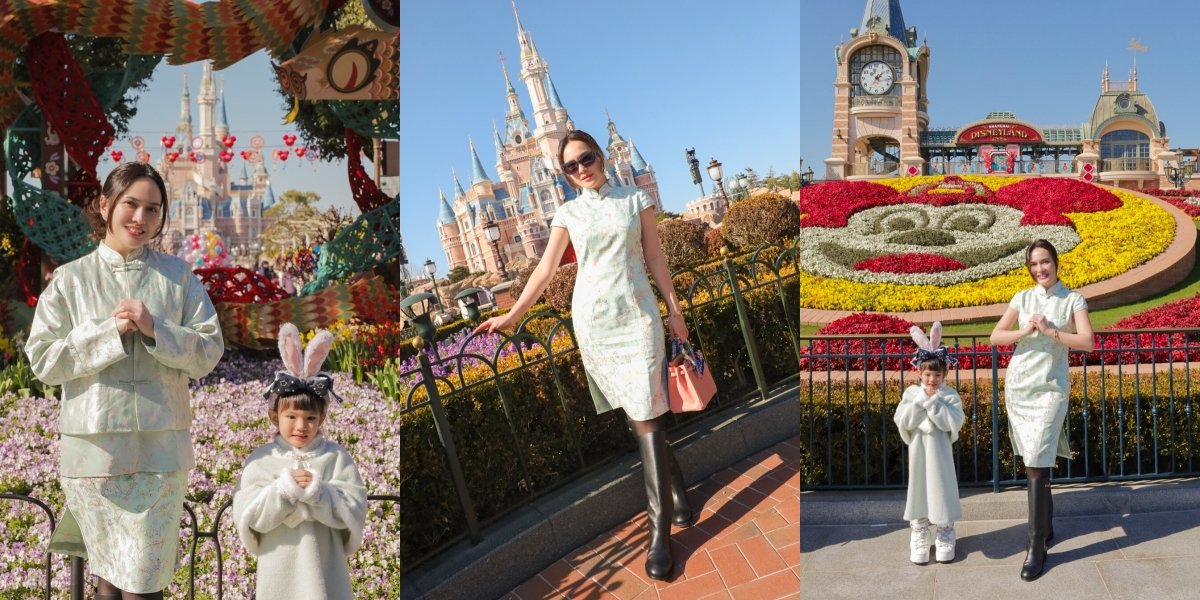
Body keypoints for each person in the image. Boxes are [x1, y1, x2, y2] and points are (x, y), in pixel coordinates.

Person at [473, 130, 692, 581]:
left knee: (648, 414)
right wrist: (511, 317)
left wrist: (674, 312)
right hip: (596, 324)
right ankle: (679, 492)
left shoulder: (634, 200)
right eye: (570, 166)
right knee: (639, 414)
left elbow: (655, 258)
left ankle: (658, 536)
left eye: (586, 158)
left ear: (602, 156)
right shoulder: (567, 213)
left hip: (637, 318)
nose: (581, 170)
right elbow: (545, 270)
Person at [25, 162, 224, 599]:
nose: (141, 218)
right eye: (131, 204)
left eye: (153, 209)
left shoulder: (178, 277)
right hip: (94, 455)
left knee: (145, 582)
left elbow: (209, 350)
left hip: (161, 453)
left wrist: (157, 329)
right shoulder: (70, 280)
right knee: (109, 580)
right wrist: (106, 333)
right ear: (105, 204)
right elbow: (43, 359)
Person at [232, 323, 368, 599]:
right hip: (279, 568)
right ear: (274, 416)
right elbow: (249, 517)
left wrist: (320, 493)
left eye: (310, 418)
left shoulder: (335, 457)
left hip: (325, 570)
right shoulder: (260, 461)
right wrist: (284, 492)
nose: (300, 426)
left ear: (322, 419)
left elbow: (354, 509)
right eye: (290, 417)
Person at [989, 239, 1094, 581]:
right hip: (1021, 386)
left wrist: (1051, 332)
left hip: (1051, 389)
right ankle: (1045, 528)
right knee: (1034, 460)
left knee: (1037, 458)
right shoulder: (1022, 298)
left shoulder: (1073, 299)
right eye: (1034, 264)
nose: (1040, 269)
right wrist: (1025, 329)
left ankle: (1036, 545)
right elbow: (995, 336)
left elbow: (1088, 342)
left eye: (1045, 262)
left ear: (1056, 262)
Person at [894, 322, 964, 565]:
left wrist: (933, 405)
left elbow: (953, 423)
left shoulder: (950, 396)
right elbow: (903, 421)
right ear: (920, 374)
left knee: (941, 487)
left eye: (937, 374)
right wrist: (921, 402)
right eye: (927, 374)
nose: (932, 379)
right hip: (918, 453)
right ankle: (920, 529)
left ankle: (945, 529)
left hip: (941, 453)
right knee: (920, 488)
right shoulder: (911, 395)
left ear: (945, 374)